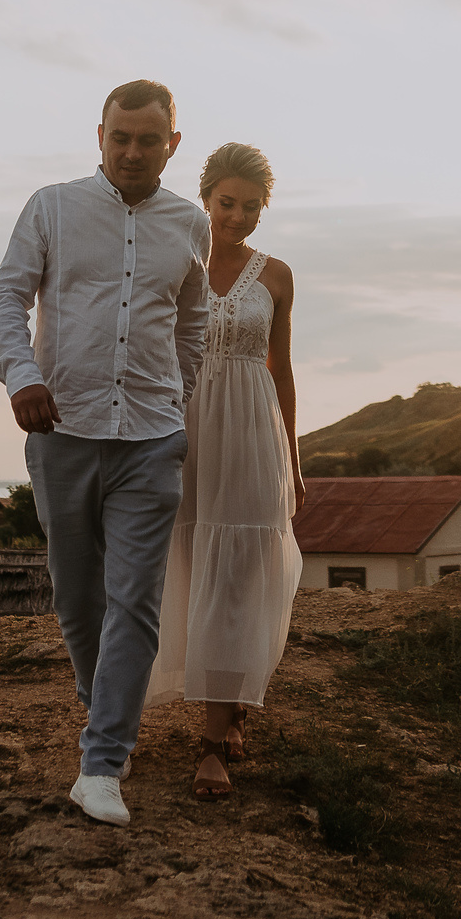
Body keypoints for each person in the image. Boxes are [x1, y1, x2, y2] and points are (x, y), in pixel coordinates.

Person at [0, 79, 210, 827]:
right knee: (77, 599)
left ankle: (102, 761)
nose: (134, 151)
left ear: (172, 143)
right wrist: (23, 374)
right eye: (122, 137)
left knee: (134, 601)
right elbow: (6, 296)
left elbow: (192, 321)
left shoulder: (190, 223)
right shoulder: (50, 206)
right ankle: (104, 702)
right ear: (101, 136)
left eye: (150, 139)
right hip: (63, 431)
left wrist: (181, 396)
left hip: (152, 437)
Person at [148, 142, 305, 800]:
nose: (237, 216)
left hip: (250, 436)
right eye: (226, 203)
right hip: (183, 430)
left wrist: (293, 457)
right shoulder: (173, 259)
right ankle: (212, 698)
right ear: (206, 197)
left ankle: (215, 739)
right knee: (181, 558)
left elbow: (282, 369)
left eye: (251, 206)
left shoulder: (277, 276)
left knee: (237, 569)